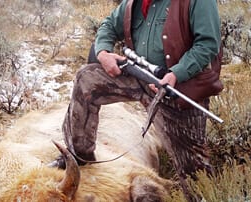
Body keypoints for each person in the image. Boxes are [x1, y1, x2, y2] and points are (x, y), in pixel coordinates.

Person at [50, 0, 222, 200]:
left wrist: (176, 74)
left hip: (177, 90)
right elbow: (108, 25)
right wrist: (103, 52)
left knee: (193, 170)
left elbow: (208, 45)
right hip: (140, 77)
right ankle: (79, 156)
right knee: (86, 79)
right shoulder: (133, 3)